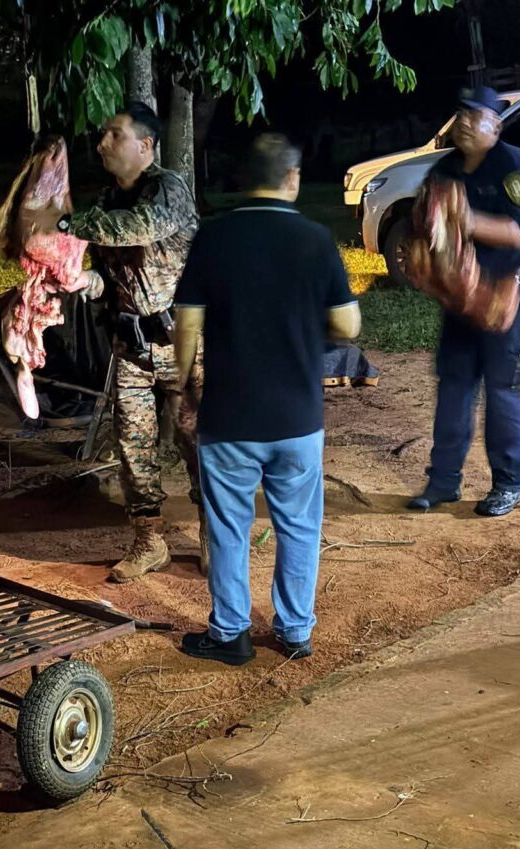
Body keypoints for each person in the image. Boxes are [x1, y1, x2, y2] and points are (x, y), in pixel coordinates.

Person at [172, 133, 361, 666]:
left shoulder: (214, 237)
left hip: (230, 416)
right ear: (293, 178)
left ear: (244, 178)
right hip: (297, 418)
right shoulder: (316, 240)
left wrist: (183, 387)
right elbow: (348, 323)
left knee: (229, 526)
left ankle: (229, 632)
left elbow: (187, 324)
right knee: (299, 525)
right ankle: (295, 630)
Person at [52, 102, 202, 579]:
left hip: (185, 347)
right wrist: (87, 283)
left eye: (115, 135)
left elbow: (141, 229)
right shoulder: (103, 202)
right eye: (102, 136)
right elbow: (107, 274)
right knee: (134, 449)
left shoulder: (169, 189)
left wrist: (59, 224)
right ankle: (149, 541)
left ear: (146, 146)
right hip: (132, 347)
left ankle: (214, 536)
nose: (103, 144)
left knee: (200, 447)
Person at [408, 85, 520, 517]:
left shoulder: (513, 167)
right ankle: (443, 482)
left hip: (506, 292)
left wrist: (465, 220)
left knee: (501, 390)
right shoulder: (446, 169)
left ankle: (508, 484)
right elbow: (423, 222)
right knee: (454, 387)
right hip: (460, 297)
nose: (464, 123)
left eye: (475, 116)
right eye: (461, 115)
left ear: (496, 125)